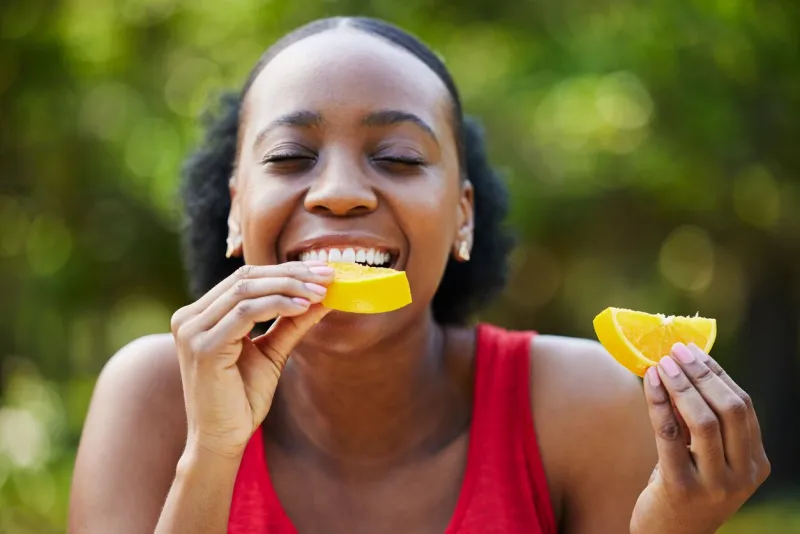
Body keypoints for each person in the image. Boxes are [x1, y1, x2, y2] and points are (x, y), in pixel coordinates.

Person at [68, 16, 770, 534]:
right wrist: (213, 453)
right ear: (234, 211)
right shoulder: (155, 398)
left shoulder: (583, 406)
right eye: (289, 157)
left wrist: (671, 528)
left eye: (399, 158)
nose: (339, 192)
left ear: (463, 217)